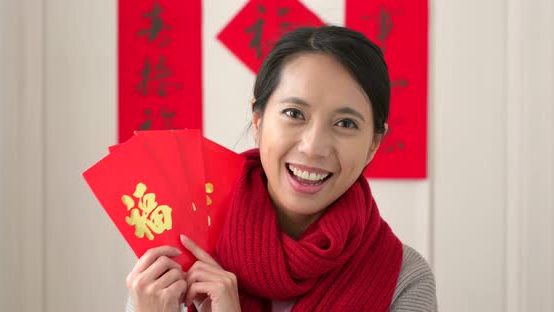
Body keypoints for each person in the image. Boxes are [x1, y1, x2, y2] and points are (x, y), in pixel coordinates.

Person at [125, 25, 437, 312]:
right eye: (294, 113)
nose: (313, 147)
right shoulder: (177, 255)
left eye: (345, 123)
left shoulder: (403, 278)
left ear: (373, 144)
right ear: (258, 121)